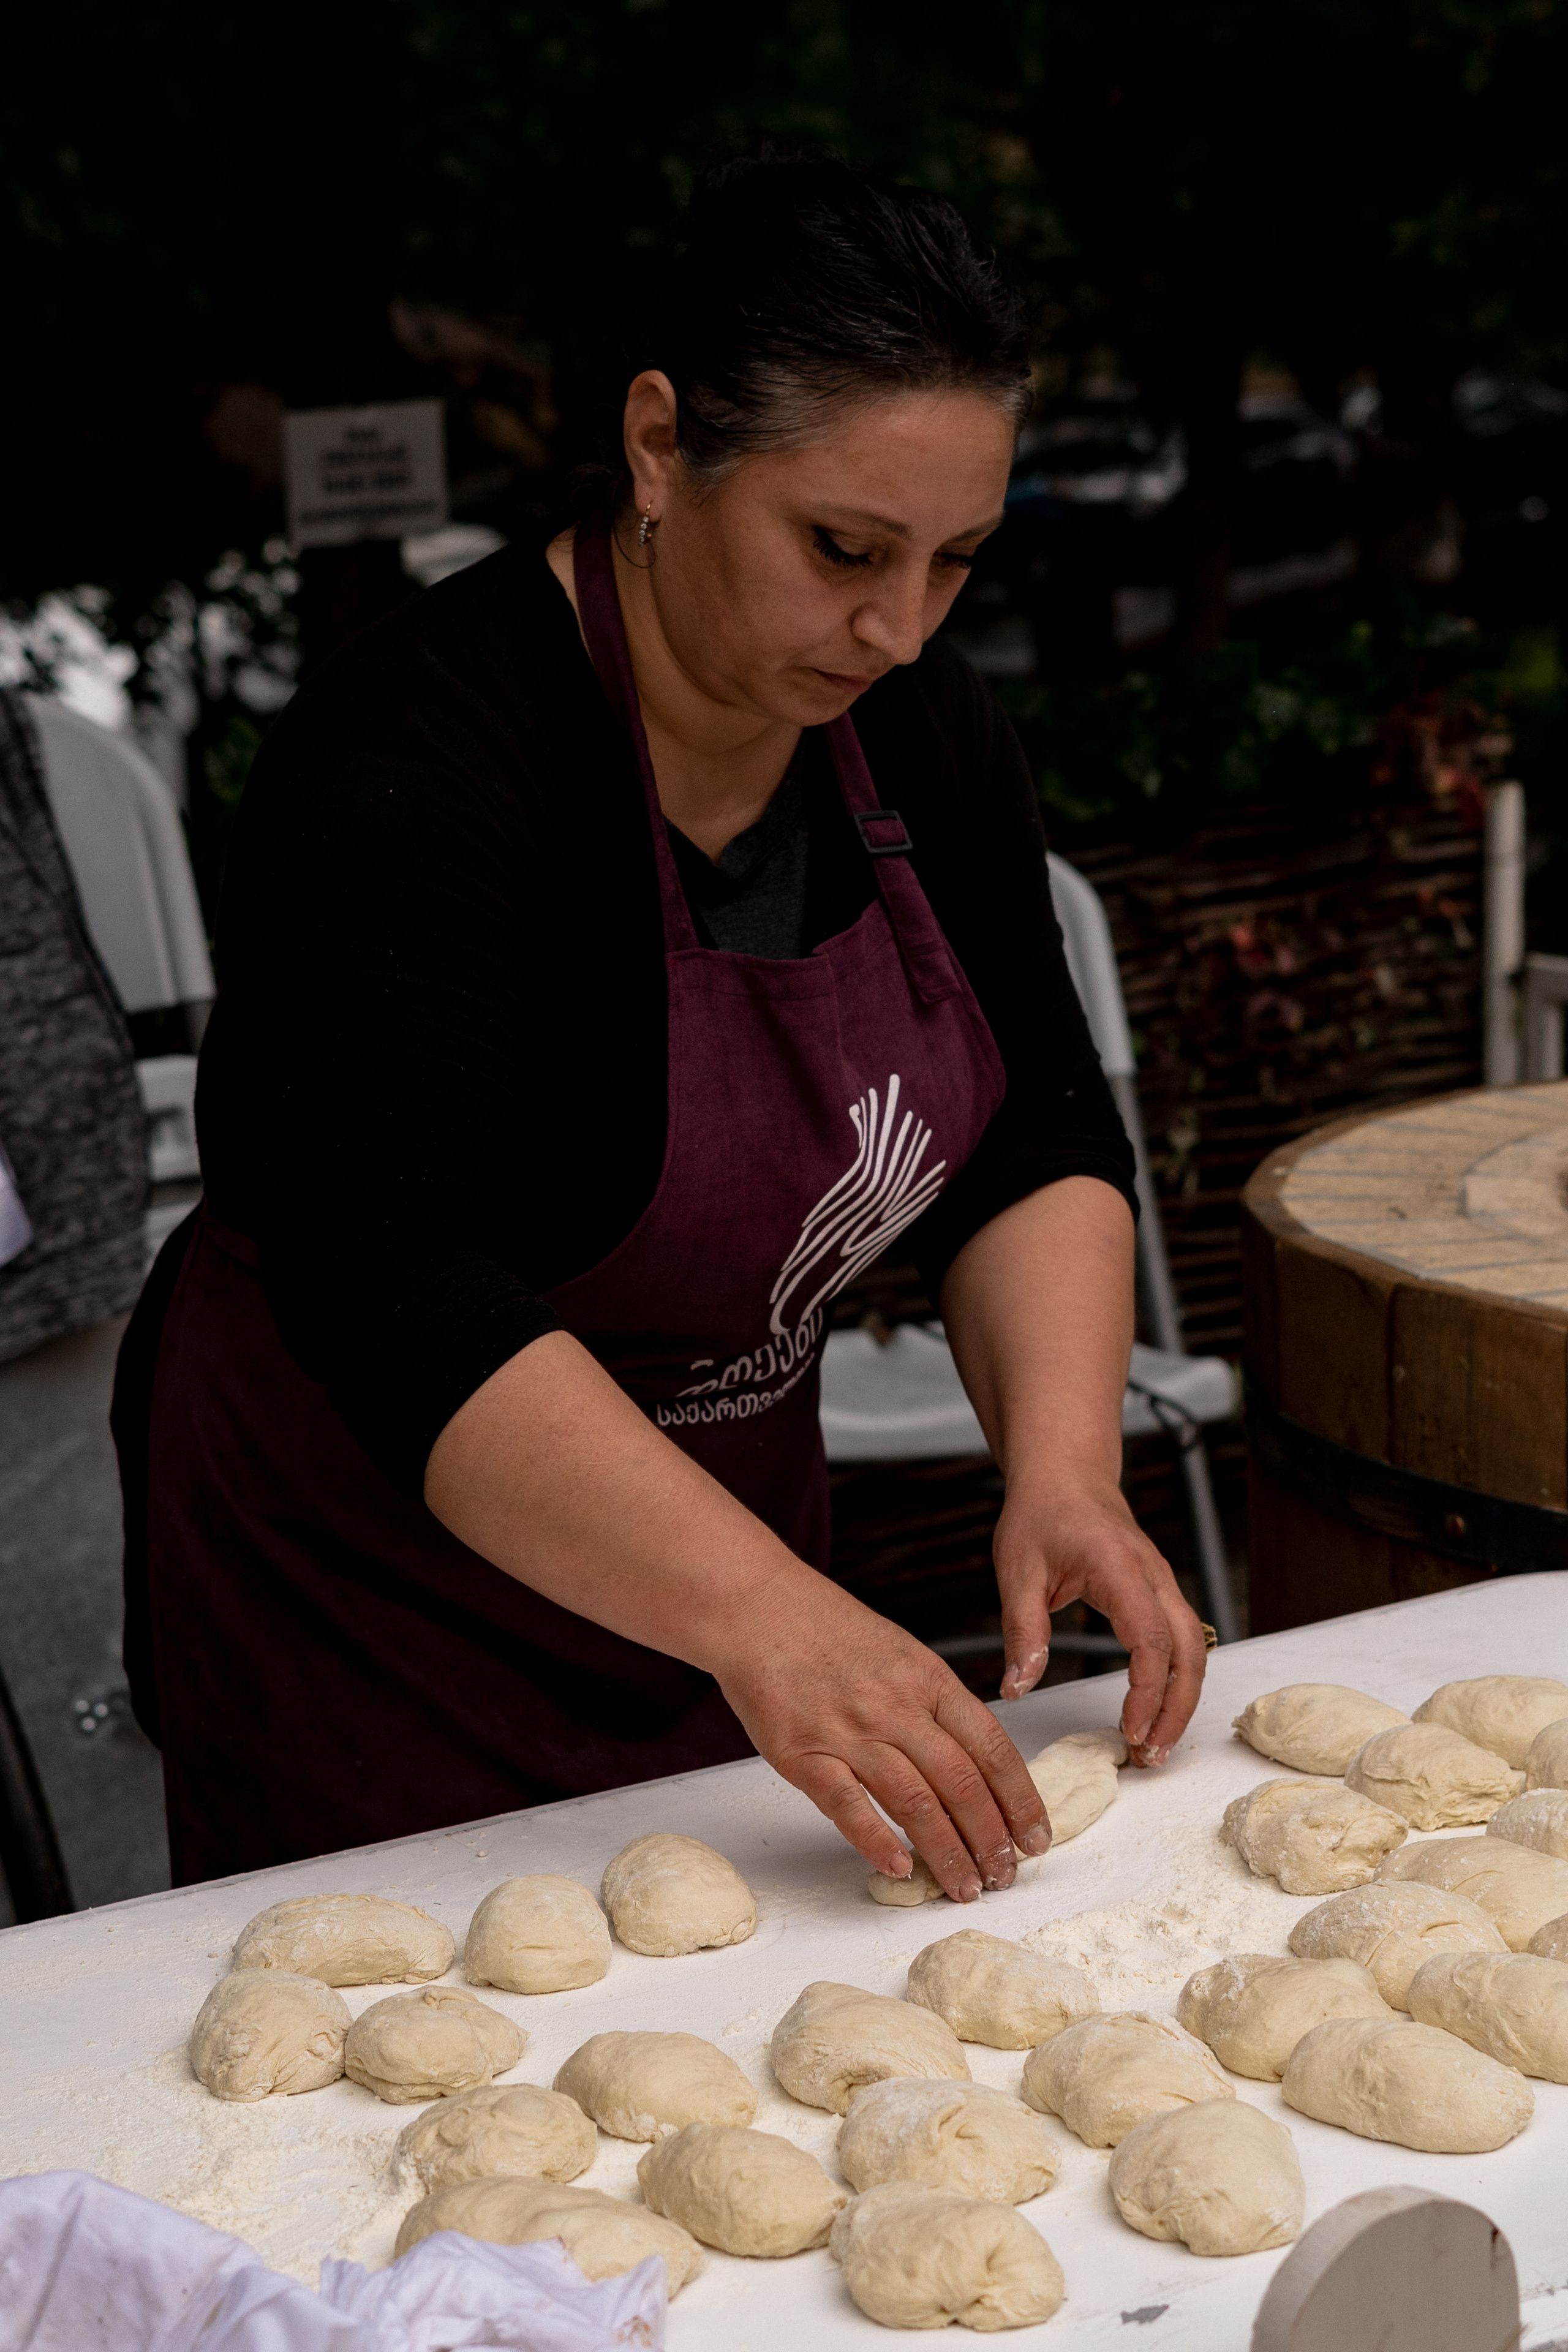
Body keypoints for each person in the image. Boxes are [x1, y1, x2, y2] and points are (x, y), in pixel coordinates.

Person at [115, 153, 1207, 1898]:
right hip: (375, 1600)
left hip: (710, 1598)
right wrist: (773, 1613)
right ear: (655, 445)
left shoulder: (921, 734)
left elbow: (1035, 1133)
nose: (899, 628)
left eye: (956, 564)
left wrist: (1066, 1468)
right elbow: (396, 1289)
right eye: (844, 548)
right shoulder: (415, 760)